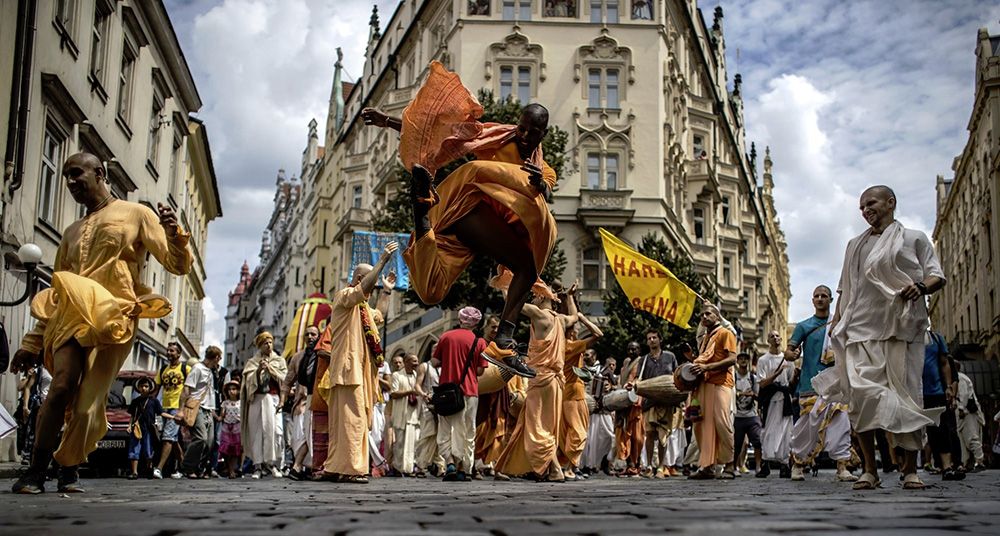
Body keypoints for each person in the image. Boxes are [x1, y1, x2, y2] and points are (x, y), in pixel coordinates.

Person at [362, 61, 559, 379]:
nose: (523, 136)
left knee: (434, 292)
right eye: (521, 128)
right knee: (525, 266)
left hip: (471, 227)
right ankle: (504, 340)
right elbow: (445, 137)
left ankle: (422, 212)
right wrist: (388, 122)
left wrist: (540, 184)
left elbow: (545, 190)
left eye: (531, 133)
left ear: (542, 135)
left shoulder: (542, 168)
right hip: (465, 207)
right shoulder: (498, 136)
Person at [10, 152, 192, 494]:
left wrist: (174, 233)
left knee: (87, 402)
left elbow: (177, 265)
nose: (70, 181)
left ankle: (68, 467)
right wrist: (32, 343)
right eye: (66, 176)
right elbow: (58, 288)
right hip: (69, 316)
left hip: (115, 318)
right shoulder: (71, 231)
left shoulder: (136, 214)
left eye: (77, 173)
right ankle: (35, 471)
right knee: (61, 386)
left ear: (101, 173)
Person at [825, 185, 946, 491]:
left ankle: (909, 471)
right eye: (861, 207)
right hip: (859, 330)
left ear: (891, 202)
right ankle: (869, 469)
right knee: (860, 399)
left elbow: (937, 275)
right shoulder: (854, 245)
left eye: (871, 203)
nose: (865, 210)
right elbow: (844, 288)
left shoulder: (914, 238)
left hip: (900, 330)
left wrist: (920, 287)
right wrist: (837, 322)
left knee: (906, 399)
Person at [314, 242, 398, 484]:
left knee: (344, 423)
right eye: (371, 278)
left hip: (355, 374)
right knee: (353, 421)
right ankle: (352, 469)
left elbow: (379, 316)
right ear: (361, 278)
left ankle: (334, 467)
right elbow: (363, 289)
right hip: (349, 372)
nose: (374, 281)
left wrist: (387, 291)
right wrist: (381, 260)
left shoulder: (362, 308)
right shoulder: (344, 297)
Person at [495, 283, 577, 482]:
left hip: (540, 378)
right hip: (557, 381)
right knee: (547, 426)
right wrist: (569, 297)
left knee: (536, 427)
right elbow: (575, 317)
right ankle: (546, 469)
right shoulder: (562, 320)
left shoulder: (540, 316)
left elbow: (512, 301)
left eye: (534, 295)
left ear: (541, 298)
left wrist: (504, 284)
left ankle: (555, 470)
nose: (532, 298)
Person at [785, 285, 857, 483]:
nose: (819, 298)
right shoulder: (804, 326)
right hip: (810, 385)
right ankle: (798, 464)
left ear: (831, 300)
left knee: (840, 422)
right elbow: (788, 352)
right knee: (807, 427)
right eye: (816, 295)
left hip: (836, 382)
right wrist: (792, 354)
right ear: (812, 300)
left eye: (824, 295)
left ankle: (842, 466)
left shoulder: (839, 324)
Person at [435, 306, 488, 482]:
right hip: (470, 392)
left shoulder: (446, 337)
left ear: (460, 319)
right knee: (467, 431)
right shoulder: (480, 342)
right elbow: (480, 371)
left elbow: (434, 361)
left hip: (447, 391)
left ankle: (449, 462)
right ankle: (463, 468)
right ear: (476, 323)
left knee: (445, 430)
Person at [688, 303, 738, 480]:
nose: (703, 317)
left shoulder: (725, 333)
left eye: (708, 314)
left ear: (717, 316)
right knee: (703, 426)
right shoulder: (705, 339)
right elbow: (702, 364)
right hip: (705, 384)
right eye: (701, 315)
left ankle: (730, 465)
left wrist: (707, 366)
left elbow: (732, 359)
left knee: (722, 423)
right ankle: (707, 466)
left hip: (721, 383)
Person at [625, 329, 683, 478]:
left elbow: (676, 377)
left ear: (660, 339)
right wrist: (633, 384)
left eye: (654, 337)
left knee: (664, 436)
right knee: (650, 434)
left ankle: (661, 467)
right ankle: (650, 466)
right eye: (649, 338)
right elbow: (639, 378)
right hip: (649, 402)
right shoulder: (644, 360)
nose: (651, 340)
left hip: (666, 402)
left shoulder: (670, 357)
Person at [558, 305, 604, 481]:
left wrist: (570, 298)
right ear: (571, 332)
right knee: (579, 433)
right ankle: (569, 468)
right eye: (577, 328)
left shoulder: (559, 345)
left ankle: (566, 467)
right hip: (574, 395)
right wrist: (582, 318)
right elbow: (599, 334)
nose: (579, 330)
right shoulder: (572, 346)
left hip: (564, 394)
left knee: (566, 433)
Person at [241, 332, 288, 479]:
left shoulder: (279, 361)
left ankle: (272, 463)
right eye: (265, 343)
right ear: (260, 346)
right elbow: (248, 382)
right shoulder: (252, 362)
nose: (268, 345)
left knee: (273, 432)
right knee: (257, 433)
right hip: (257, 400)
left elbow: (285, 379)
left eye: (270, 342)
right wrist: (259, 371)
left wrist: (270, 369)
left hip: (272, 399)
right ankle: (257, 466)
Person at [921, 329, 965, 480]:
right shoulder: (905, 337)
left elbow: (945, 363)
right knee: (925, 431)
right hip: (915, 392)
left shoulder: (936, 338)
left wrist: (948, 387)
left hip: (936, 391)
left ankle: (947, 466)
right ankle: (908, 470)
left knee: (943, 428)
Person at [281, 326, 320, 480]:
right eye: (307, 334)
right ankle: (301, 467)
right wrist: (282, 401)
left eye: (313, 334)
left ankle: (299, 467)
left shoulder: (323, 355)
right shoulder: (297, 357)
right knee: (301, 437)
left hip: (320, 403)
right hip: (301, 404)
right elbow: (288, 381)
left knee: (313, 435)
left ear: (319, 336)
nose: (310, 337)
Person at [756, 330, 794, 478]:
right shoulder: (763, 360)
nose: (776, 338)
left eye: (778, 336)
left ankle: (784, 464)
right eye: (772, 336)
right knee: (768, 431)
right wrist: (776, 375)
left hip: (784, 399)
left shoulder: (788, 360)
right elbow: (763, 383)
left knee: (786, 432)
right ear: (768, 340)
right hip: (770, 399)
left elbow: (790, 382)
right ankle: (766, 463)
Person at [179, 346, 221, 478]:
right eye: (219, 358)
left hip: (208, 409)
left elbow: (209, 393)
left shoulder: (211, 371)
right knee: (200, 438)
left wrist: (213, 411)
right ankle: (187, 466)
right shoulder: (197, 369)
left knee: (209, 442)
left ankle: (200, 468)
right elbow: (186, 389)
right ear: (216, 358)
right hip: (197, 407)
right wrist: (181, 410)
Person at [153, 343, 189, 480]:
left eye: (172, 351)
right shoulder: (163, 369)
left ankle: (159, 468)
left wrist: (183, 409)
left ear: (179, 354)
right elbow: (156, 390)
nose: (169, 353)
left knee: (167, 437)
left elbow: (191, 388)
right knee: (173, 439)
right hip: (164, 408)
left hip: (177, 409)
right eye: (168, 350)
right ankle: (185, 466)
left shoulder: (186, 368)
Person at [126, 377, 169, 480]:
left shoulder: (154, 401)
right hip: (137, 428)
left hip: (149, 428)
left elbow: (161, 412)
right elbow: (132, 415)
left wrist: (173, 417)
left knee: (148, 450)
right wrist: (129, 426)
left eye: (146, 386)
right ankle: (134, 472)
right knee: (134, 449)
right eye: (142, 386)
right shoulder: (136, 401)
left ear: (150, 388)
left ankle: (148, 469)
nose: (144, 388)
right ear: (138, 388)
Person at [581, 355, 617, 475]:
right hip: (588, 410)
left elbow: (616, 384)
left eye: (587, 355)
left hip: (603, 409)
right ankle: (587, 466)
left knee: (609, 436)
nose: (585, 357)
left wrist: (610, 386)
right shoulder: (581, 370)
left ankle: (604, 461)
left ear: (594, 356)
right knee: (588, 440)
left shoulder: (604, 370)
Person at [732, 353, 765, 478]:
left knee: (757, 440)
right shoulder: (733, 378)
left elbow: (759, 396)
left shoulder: (753, 378)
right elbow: (731, 394)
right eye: (741, 359)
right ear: (737, 361)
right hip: (737, 415)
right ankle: (734, 466)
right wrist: (742, 394)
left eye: (745, 359)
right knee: (737, 443)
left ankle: (758, 466)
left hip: (752, 415)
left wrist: (753, 395)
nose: (743, 361)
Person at [388, 354, 422, 476]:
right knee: (400, 443)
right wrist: (409, 392)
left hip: (413, 414)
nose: (416, 364)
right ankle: (398, 468)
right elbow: (393, 394)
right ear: (406, 362)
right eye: (414, 361)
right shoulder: (397, 375)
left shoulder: (416, 376)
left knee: (414, 443)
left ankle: (410, 468)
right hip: (401, 414)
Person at [614, 341, 644, 476]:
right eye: (629, 349)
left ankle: (637, 463)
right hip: (623, 400)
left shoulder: (641, 362)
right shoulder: (626, 362)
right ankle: (628, 464)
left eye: (634, 349)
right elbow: (622, 380)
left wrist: (632, 384)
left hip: (636, 401)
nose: (631, 352)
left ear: (639, 350)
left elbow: (638, 378)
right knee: (624, 433)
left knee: (637, 436)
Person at [414, 351, 443, 476]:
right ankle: (421, 466)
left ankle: (441, 466)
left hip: (442, 405)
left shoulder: (445, 367)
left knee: (442, 436)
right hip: (428, 405)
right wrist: (423, 395)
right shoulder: (424, 366)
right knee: (428, 435)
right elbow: (417, 385)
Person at [955, 362, 985, 471]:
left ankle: (979, 461)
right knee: (963, 439)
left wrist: (962, 408)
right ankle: (967, 462)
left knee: (972, 437)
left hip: (967, 413)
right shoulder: (958, 378)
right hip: (963, 413)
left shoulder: (960, 378)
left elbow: (963, 394)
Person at [218, 380, 243, 478]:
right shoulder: (225, 403)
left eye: (234, 389)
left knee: (235, 450)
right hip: (226, 427)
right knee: (227, 450)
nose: (231, 391)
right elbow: (222, 415)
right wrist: (217, 416)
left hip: (237, 426)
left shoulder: (241, 403)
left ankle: (234, 468)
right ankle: (230, 469)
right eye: (229, 389)